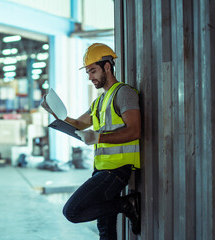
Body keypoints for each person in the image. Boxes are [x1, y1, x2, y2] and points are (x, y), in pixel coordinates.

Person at [41, 43, 141, 239]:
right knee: (105, 231)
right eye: (87, 72)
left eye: (93, 71)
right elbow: (79, 123)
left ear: (107, 67)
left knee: (72, 211)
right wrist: (55, 113)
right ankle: (125, 205)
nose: (90, 77)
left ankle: (127, 204)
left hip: (118, 170)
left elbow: (135, 131)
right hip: (102, 169)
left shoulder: (124, 93)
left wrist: (99, 137)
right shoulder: (99, 102)